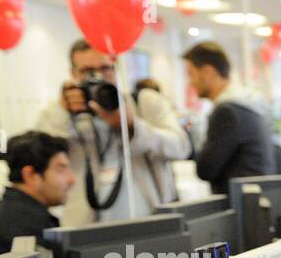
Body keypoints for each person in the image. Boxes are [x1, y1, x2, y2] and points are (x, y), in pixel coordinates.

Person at [35, 40, 189, 224]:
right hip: (88, 227)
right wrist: (62, 111)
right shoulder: (62, 112)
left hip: (152, 219)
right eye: (88, 71)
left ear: (116, 69)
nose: (99, 76)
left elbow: (181, 147)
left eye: (105, 68)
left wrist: (132, 126)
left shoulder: (144, 102)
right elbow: (40, 156)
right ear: (73, 74)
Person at [183, 41, 276, 193]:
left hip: (241, 207)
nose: (190, 83)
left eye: (191, 75)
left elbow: (205, 170)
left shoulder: (227, 111)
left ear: (207, 72)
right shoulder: (245, 105)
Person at [0, 132, 76, 258]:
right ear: (30, 175)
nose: (72, 179)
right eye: (61, 169)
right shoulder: (25, 224)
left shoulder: (13, 212)